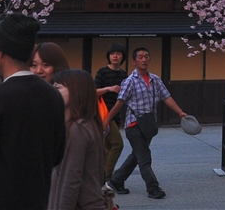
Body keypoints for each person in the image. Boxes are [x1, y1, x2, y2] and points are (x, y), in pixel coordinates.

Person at [0, 13, 67, 209]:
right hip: (38, 198)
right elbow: (57, 154)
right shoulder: (53, 95)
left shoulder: (1, 96)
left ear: (1, 53)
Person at [104, 47, 188, 200]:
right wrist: (106, 121)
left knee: (136, 155)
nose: (144, 59)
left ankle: (116, 181)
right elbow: (119, 103)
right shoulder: (129, 81)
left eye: (146, 56)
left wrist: (180, 112)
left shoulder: (155, 79)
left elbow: (167, 97)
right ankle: (153, 188)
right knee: (144, 157)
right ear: (134, 61)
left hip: (148, 125)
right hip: (133, 125)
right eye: (140, 57)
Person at [48, 69, 106, 210]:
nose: (53, 92)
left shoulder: (77, 130)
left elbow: (70, 180)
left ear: (75, 91)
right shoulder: (86, 124)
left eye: (58, 88)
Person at [93, 42, 128, 182]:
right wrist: (108, 88)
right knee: (118, 144)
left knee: (107, 148)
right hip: (104, 113)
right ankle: (107, 178)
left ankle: (100, 177)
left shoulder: (124, 74)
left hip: (116, 113)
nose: (115, 56)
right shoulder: (102, 72)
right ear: (108, 56)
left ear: (123, 57)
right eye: (113, 53)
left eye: (119, 54)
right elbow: (93, 92)